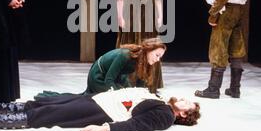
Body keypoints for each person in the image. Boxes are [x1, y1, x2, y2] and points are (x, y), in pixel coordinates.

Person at [0, 87, 200, 131]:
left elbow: (136, 125)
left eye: (188, 104)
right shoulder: (159, 99)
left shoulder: (166, 115)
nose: (184, 98)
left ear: (184, 115)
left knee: (49, 114)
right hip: (98, 99)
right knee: (47, 104)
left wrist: (105, 130)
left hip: (105, 111)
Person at [35, 37, 167, 98]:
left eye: (160, 57)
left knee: (129, 93)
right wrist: (119, 94)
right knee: (122, 95)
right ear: (148, 50)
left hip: (117, 77)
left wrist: (146, 96)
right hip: (99, 76)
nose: (158, 59)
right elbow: (109, 79)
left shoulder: (143, 62)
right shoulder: (125, 56)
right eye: (157, 55)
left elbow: (140, 83)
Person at [115, 0, 165, 93]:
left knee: (149, 46)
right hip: (131, 9)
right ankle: (126, 83)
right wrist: (120, 17)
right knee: (131, 47)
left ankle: (149, 83)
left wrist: (160, 16)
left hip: (149, 11)